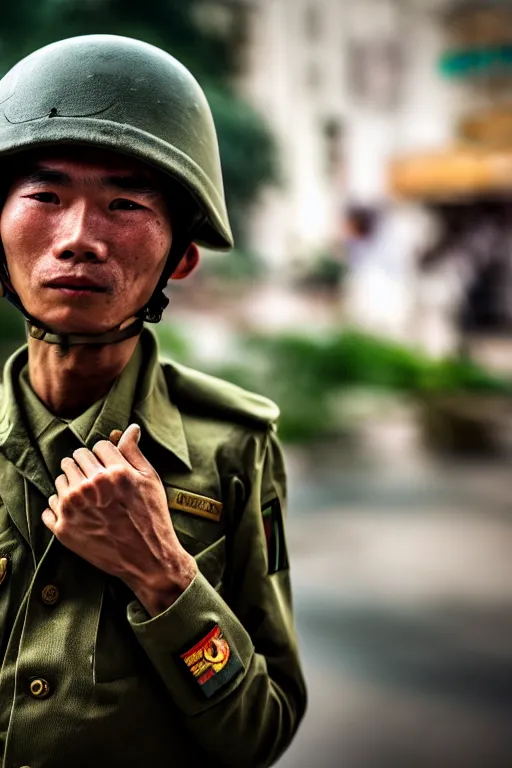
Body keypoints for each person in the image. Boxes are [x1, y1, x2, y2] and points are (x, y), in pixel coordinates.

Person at [0, 35, 306, 768]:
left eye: (126, 203)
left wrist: (160, 569)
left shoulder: (231, 448)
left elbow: (259, 733)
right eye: (45, 195)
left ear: (182, 258)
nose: (79, 238)